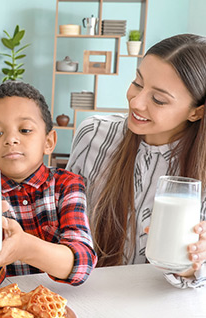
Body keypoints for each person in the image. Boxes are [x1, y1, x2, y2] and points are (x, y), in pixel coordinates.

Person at [66, 33, 206, 289]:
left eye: (159, 99)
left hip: (160, 309)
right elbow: (63, 223)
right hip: (83, 295)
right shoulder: (93, 134)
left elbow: (197, 279)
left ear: (197, 111)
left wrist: (188, 262)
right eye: (137, 83)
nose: (136, 101)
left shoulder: (202, 169)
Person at [0, 81, 97, 290]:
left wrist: (24, 248)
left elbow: (81, 264)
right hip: (5, 309)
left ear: (48, 141)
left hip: (60, 306)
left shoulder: (67, 185)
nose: (11, 139)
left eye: (25, 130)